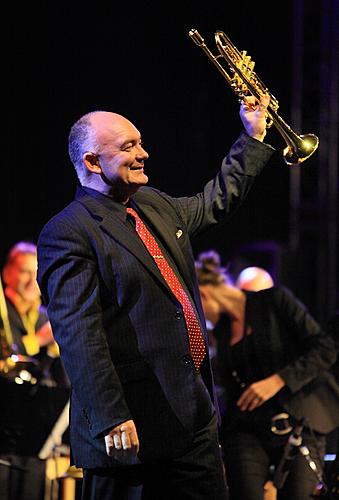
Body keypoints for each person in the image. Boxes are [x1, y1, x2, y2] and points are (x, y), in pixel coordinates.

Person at [36, 95, 275, 500]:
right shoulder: (69, 231)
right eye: (128, 147)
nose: (143, 153)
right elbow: (80, 335)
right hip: (130, 429)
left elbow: (216, 201)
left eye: (140, 143)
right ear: (92, 162)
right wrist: (111, 417)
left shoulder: (153, 205)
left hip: (193, 419)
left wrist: (252, 136)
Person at [196, 250, 339, 500]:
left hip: (299, 421)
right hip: (248, 430)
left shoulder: (274, 301)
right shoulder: (221, 331)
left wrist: (278, 380)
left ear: (204, 294)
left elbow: (325, 348)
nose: (201, 318)